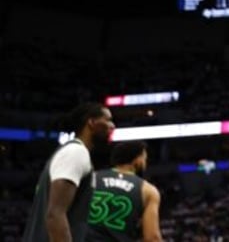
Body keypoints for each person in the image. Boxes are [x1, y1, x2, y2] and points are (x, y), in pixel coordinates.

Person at [23, 102, 116, 241]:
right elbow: (55, 215)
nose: (112, 125)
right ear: (91, 122)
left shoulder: (74, 152)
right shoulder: (76, 152)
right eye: (108, 120)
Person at [86, 141, 162, 242]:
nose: (145, 162)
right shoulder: (148, 190)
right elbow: (152, 238)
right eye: (144, 158)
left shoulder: (91, 178)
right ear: (138, 160)